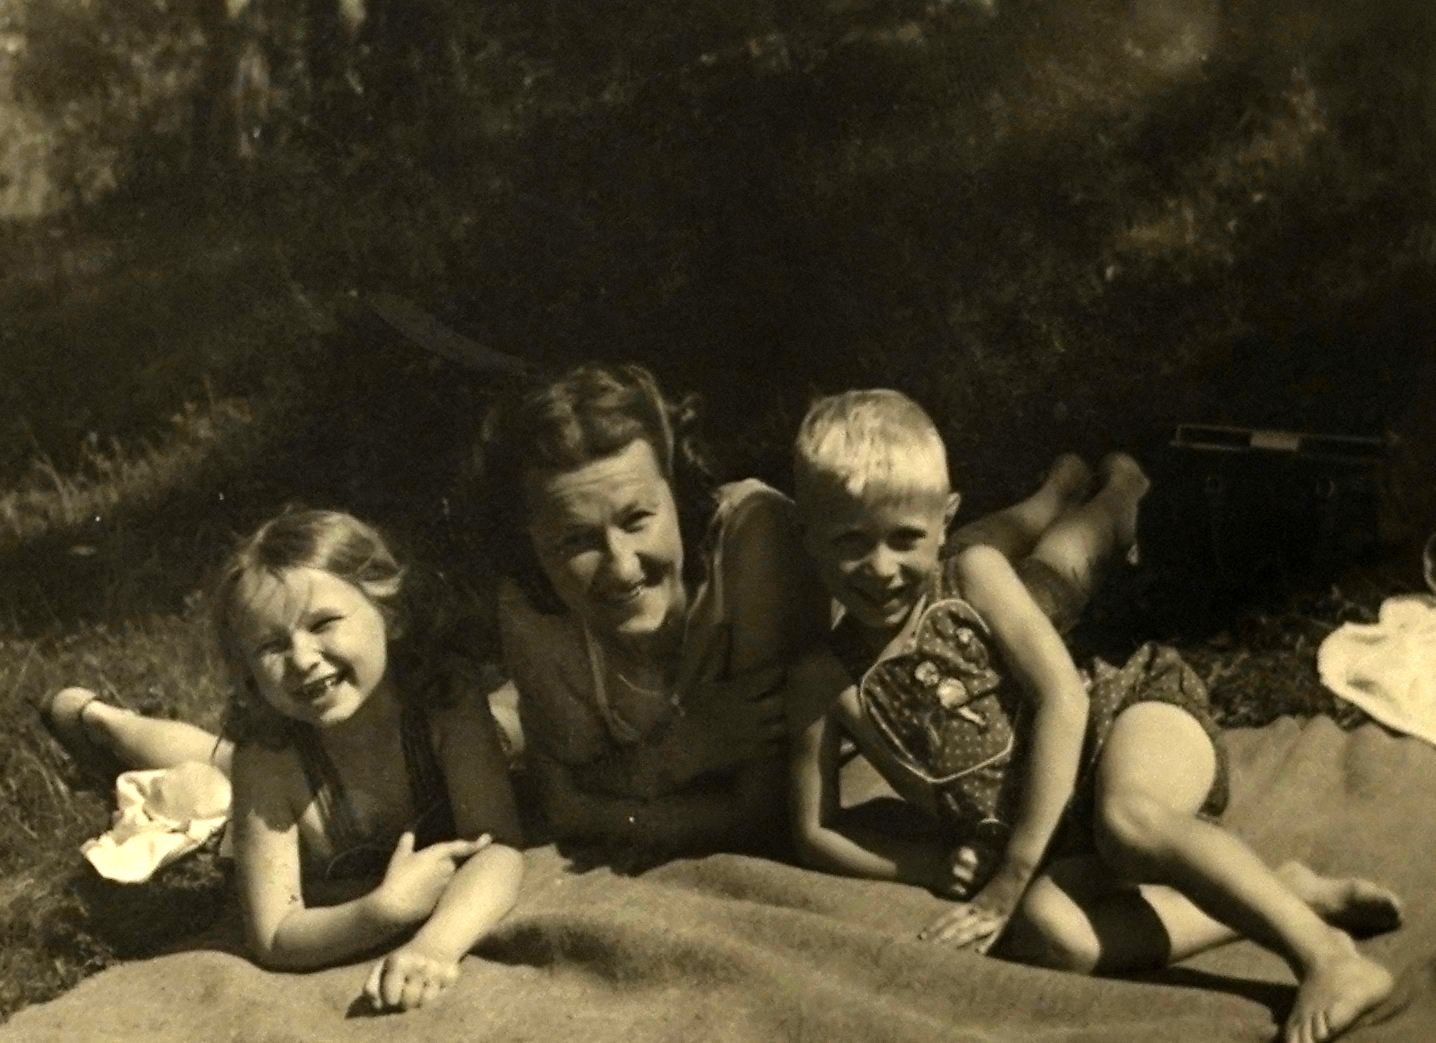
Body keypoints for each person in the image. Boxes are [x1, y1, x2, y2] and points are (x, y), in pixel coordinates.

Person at [784, 389, 1400, 1043]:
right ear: (808, 538)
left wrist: (1012, 874)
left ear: (946, 521)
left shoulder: (973, 575)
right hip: (1060, 841)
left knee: (1127, 817)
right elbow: (815, 829)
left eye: (906, 538)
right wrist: (927, 864)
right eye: (850, 541)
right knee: (1053, 934)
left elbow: (1064, 699)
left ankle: (1327, 958)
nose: (881, 568)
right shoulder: (823, 681)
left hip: (1127, 718)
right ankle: (1283, 893)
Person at [44, 509, 524, 1014]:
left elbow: (499, 844)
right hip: (292, 764)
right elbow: (273, 935)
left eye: (323, 623)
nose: (302, 658)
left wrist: (435, 947)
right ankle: (102, 719)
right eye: (272, 645)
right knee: (218, 766)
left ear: (391, 614)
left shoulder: (445, 703)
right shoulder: (270, 762)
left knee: (512, 729)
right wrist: (379, 912)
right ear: (247, 671)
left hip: (452, 728)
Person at [475, 361, 832, 858]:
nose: (622, 568)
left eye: (637, 518)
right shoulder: (531, 603)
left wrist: (617, 783)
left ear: (675, 488)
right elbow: (563, 809)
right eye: (577, 540)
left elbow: (764, 813)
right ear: (531, 545)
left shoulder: (753, 536)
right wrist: (671, 757)